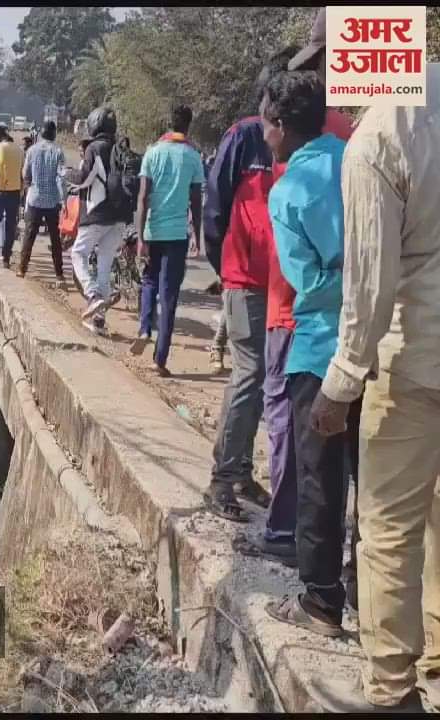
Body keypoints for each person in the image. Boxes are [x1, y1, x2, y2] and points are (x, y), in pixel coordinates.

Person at [303, 62, 440, 714]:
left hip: (416, 363)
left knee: (389, 531)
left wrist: (340, 385)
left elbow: (370, 289)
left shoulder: (379, 137)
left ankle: (391, 693)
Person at [257, 70, 362, 652]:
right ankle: (369, 591)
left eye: (267, 124)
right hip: (379, 342)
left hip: (322, 348)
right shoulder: (356, 160)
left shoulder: (289, 189)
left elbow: (305, 281)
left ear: (279, 126)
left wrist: (339, 281)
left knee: (319, 477)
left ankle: (321, 599)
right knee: (371, 478)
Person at [201, 48, 295, 530]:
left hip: (283, 283)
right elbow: (214, 205)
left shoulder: (301, 139)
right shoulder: (244, 137)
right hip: (247, 279)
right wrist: (225, 267)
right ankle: (222, 478)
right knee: (250, 372)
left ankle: (238, 472)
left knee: (268, 379)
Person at [130, 104, 204, 376]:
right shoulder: (193, 157)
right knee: (170, 295)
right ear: (188, 125)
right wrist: (197, 233)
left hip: (152, 231)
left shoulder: (153, 152)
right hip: (177, 235)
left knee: (149, 282)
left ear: (168, 122)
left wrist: (140, 237)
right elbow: (196, 200)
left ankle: (144, 328)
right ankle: (160, 359)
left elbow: (142, 197)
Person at [71, 107, 129, 336]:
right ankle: (98, 320)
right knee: (104, 265)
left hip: (96, 213)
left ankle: (92, 294)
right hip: (118, 218)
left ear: (94, 124)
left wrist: (68, 175)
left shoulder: (94, 147)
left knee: (78, 253)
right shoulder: (121, 148)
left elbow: (85, 177)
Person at [19, 121, 65, 279]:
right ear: (54, 134)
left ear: (41, 133)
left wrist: (29, 186)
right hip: (52, 200)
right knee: (55, 238)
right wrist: (63, 200)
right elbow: (61, 178)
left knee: (29, 235)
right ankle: (59, 274)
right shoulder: (58, 151)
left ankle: (22, 269)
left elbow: (25, 173)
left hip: (35, 198)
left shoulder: (32, 150)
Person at [0, 126, 24, 268]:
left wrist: (0, 185)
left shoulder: (0, 148)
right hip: (15, 191)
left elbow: (0, 166)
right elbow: (22, 170)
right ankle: (6, 259)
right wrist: (21, 189)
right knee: (10, 225)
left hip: (2, 191)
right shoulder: (19, 149)